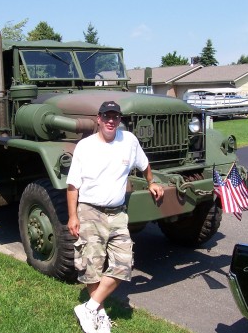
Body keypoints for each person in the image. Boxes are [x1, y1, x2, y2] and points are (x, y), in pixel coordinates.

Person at [66, 101, 164, 333]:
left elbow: (145, 164)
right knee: (92, 264)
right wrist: (72, 216)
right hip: (90, 210)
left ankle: (88, 307)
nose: (111, 120)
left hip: (117, 212)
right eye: (107, 116)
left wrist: (152, 181)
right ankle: (97, 316)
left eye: (115, 117)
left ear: (120, 120)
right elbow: (72, 185)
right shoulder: (84, 146)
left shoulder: (128, 140)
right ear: (98, 119)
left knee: (124, 264)